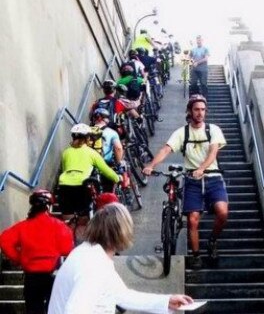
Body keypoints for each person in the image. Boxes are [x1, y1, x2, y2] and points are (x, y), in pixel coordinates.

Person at [48, 203, 193, 314]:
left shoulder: (90, 254)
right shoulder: (93, 264)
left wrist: (167, 301)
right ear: (121, 232)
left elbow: (121, 295)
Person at [143, 95, 228, 270]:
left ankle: (212, 241)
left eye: (203, 110)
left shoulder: (213, 130)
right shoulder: (182, 132)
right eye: (196, 109)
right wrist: (151, 165)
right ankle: (196, 256)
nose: (200, 113)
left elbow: (213, 152)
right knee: (192, 220)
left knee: (222, 212)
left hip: (213, 177)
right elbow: (166, 149)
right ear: (190, 111)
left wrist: (202, 168)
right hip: (192, 180)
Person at [0, 189, 74, 314]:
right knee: (55, 309)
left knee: (33, 309)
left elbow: (4, 240)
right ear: (49, 207)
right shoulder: (59, 225)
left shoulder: (23, 226)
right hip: (53, 276)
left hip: (31, 277)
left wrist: (18, 258)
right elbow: (66, 249)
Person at [57, 123, 121, 222]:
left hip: (64, 186)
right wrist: (117, 178)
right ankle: (82, 235)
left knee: (68, 219)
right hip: (81, 186)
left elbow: (65, 170)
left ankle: (70, 234)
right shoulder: (91, 153)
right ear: (88, 138)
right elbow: (106, 170)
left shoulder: (66, 152)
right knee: (83, 220)